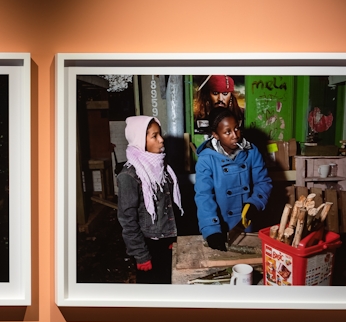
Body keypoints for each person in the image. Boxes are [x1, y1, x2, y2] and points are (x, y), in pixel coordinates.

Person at [195, 106, 272, 252]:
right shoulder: (206, 160)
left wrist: (255, 203)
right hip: (220, 226)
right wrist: (211, 230)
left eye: (236, 128)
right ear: (215, 135)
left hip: (246, 224)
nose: (235, 135)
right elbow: (204, 196)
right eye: (227, 132)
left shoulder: (251, 151)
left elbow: (263, 182)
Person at [116, 116, 182, 285]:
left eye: (160, 134)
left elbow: (168, 205)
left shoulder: (162, 167)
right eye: (154, 136)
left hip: (164, 241)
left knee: (168, 284)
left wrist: (171, 237)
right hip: (146, 245)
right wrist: (141, 254)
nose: (161, 140)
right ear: (140, 140)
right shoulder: (129, 175)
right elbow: (127, 220)